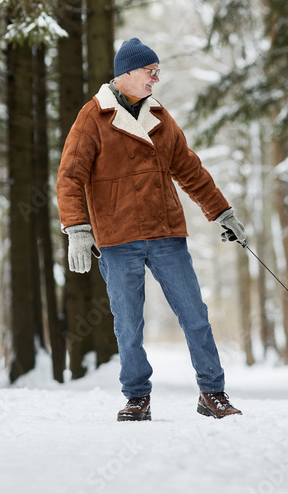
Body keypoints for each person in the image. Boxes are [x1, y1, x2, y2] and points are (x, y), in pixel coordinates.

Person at [56, 37, 247, 421]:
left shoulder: (160, 116)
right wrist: (78, 228)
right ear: (126, 72)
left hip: (166, 233)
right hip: (117, 237)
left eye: (157, 72)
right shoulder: (92, 117)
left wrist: (222, 212)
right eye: (150, 71)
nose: (156, 79)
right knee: (128, 324)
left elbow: (190, 169)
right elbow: (70, 175)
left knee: (195, 314)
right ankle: (136, 398)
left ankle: (212, 393)